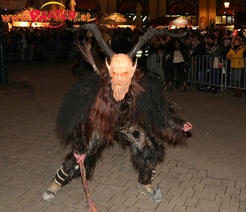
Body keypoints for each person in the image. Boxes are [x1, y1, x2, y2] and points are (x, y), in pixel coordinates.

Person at [41, 24, 192, 205]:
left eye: (125, 74)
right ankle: (56, 184)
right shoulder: (94, 90)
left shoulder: (141, 89)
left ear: (132, 71)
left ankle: (144, 184)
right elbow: (81, 120)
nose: (120, 79)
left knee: (150, 149)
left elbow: (158, 109)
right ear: (109, 70)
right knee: (79, 157)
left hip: (127, 123)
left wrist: (176, 124)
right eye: (116, 74)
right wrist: (81, 146)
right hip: (100, 123)